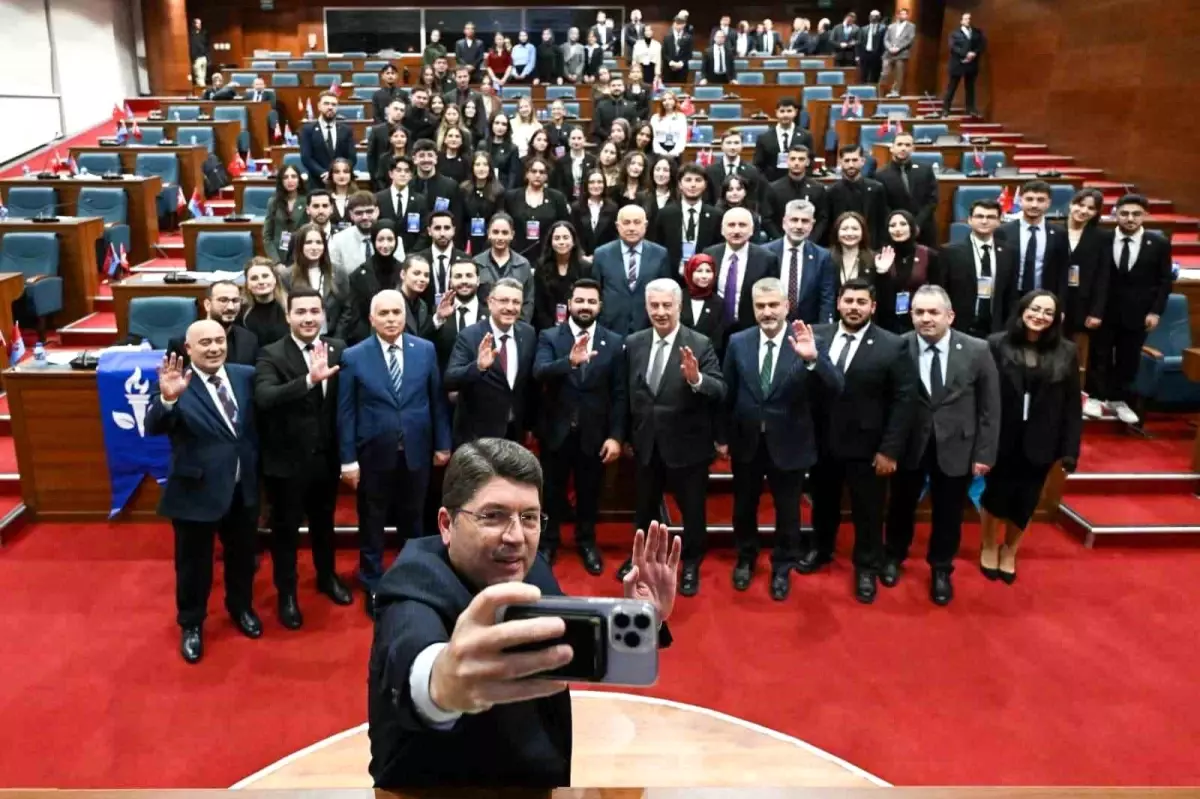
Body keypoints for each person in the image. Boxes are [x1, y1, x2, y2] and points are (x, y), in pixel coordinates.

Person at [367, 438, 679, 787]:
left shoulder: (528, 567)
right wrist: (443, 683)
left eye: (529, 517)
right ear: (446, 524)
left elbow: (569, 642)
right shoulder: (412, 582)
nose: (516, 536)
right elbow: (413, 657)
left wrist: (646, 617)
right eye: (493, 516)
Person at [719, 280, 841, 600]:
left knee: (788, 512)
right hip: (746, 441)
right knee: (744, 507)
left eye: (774, 305)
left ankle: (783, 566)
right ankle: (746, 558)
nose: (767, 312)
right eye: (761, 306)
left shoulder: (809, 340)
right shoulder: (738, 342)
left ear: (787, 306)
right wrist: (722, 436)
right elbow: (728, 392)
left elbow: (836, 387)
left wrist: (812, 360)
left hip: (791, 442)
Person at [146, 321, 259, 664]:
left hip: (242, 487)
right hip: (195, 490)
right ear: (188, 349)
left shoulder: (245, 375)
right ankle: (191, 623)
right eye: (205, 343)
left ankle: (241, 608)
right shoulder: (176, 381)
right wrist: (168, 399)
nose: (214, 348)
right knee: (193, 565)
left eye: (219, 341)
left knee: (242, 557)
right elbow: (153, 425)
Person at [338, 290, 452, 619]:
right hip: (373, 454)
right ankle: (372, 581)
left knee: (413, 518)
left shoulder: (425, 349)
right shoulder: (354, 356)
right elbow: (346, 412)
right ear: (371, 318)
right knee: (372, 520)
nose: (391, 319)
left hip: (417, 450)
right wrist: (348, 460)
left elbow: (436, 400)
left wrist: (443, 443)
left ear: (405, 316)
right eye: (384, 313)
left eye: (396, 312)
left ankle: (411, 577)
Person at [884, 285, 1000, 606]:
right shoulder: (898, 346)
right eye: (919, 312)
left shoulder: (978, 349)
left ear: (950, 315)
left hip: (958, 446)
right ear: (911, 315)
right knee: (900, 506)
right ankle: (893, 555)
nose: (926, 318)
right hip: (909, 444)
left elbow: (990, 407)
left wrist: (985, 453)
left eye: (934, 312)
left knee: (949, 512)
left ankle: (940, 568)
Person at [806, 279, 915, 603]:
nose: (854, 307)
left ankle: (867, 566)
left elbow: (904, 401)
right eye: (849, 301)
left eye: (861, 302)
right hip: (822, 442)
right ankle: (821, 549)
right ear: (838, 303)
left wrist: (889, 450)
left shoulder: (892, 345)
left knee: (868, 511)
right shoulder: (816, 336)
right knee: (823, 503)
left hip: (868, 447)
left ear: (873, 307)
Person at [253, 288, 353, 629]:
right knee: (285, 533)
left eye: (314, 311)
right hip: (286, 464)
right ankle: (287, 594)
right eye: (301, 312)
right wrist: (308, 380)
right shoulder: (271, 353)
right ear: (288, 316)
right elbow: (265, 397)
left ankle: (327, 577)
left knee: (324, 526)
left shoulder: (338, 348)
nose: (309, 318)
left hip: (326, 460)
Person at [622, 278, 725, 596]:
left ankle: (691, 564)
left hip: (687, 446)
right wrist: (624, 435)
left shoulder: (700, 342)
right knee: (644, 508)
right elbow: (627, 393)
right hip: (646, 443)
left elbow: (719, 389)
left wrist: (696, 379)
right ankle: (639, 560)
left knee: (692, 512)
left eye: (667, 305)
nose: (661, 311)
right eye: (654, 305)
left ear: (679, 306)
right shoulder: (634, 342)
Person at [981, 289, 1081, 583]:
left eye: (1048, 312)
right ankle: (989, 544)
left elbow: (1072, 405)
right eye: (1035, 309)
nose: (1040, 316)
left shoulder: (1067, 351)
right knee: (996, 496)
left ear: (1056, 319)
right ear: (1022, 310)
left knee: (1026, 500)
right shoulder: (995, 344)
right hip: (1002, 437)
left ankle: (1010, 549)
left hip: (1042, 440)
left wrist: (1070, 449)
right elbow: (982, 395)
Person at [533, 278, 626, 572]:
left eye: (591, 302)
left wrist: (616, 436)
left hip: (595, 433)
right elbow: (539, 372)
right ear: (570, 304)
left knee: (589, 492)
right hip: (555, 432)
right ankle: (548, 542)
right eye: (580, 301)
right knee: (551, 493)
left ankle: (586, 542)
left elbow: (620, 394)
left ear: (600, 306)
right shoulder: (549, 336)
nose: (585, 306)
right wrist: (569, 362)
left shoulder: (614, 342)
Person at [1087, 194, 1173, 425]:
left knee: (1128, 358)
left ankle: (1119, 400)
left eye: (1136, 214)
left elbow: (1165, 281)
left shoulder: (1158, 243)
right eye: (1124, 213)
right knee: (1099, 354)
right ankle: (1095, 396)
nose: (1130, 218)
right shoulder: (1102, 239)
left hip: (1138, 313)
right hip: (1103, 310)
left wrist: (1155, 311)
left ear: (1145, 215)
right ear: (1115, 214)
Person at [444, 278, 538, 447]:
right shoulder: (469, 335)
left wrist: (529, 426)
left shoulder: (528, 333)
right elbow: (450, 379)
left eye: (516, 302)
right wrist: (478, 367)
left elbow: (529, 385)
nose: (510, 307)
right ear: (490, 302)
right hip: (477, 436)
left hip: (514, 433)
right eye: (504, 301)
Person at [995, 180, 1072, 327]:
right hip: (1011, 300)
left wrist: (1061, 306)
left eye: (1040, 200)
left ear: (1048, 203)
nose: (1034, 205)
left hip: (1045, 300)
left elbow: (1063, 273)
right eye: (1029, 199)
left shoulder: (1059, 233)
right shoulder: (1003, 231)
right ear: (1020, 201)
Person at [941, 198, 1017, 337]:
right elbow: (942, 292)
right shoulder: (950, 252)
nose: (984, 221)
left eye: (990, 217)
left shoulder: (1008, 252)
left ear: (999, 221)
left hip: (996, 329)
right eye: (979, 216)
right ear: (970, 220)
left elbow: (1011, 294)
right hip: (960, 328)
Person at [593, 205, 671, 335]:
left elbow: (665, 292)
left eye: (637, 222)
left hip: (648, 326)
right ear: (618, 226)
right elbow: (596, 292)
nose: (631, 228)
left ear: (645, 225)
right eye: (626, 223)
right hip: (610, 327)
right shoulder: (602, 254)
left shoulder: (660, 254)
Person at [703, 207, 781, 335]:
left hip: (750, 329)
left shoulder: (767, 259)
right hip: (714, 328)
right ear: (722, 230)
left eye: (742, 225)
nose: (736, 230)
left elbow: (771, 296)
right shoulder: (709, 254)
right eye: (731, 225)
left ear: (752, 230)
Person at [765, 199, 835, 325]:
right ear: (784, 222)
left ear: (812, 225)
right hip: (771, 324)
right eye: (794, 220)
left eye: (805, 221)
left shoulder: (822, 256)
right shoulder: (766, 252)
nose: (799, 226)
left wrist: (824, 330)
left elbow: (827, 299)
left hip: (809, 327)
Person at [873, 210, 936, 334]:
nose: (898, 229)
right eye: (892, 225)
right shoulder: (879, 255)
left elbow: (937, 289)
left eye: (903, 224)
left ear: (911, 227)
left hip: (920, 317)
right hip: (887, 320)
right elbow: (878, 294)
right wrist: (882, 272)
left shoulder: (928, 254)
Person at [168, 281, 259, 366]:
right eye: (223, 300)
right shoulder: (181, 343)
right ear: (207, 305)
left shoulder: (250, 339)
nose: (231, 307)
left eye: (235, 301)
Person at [874, 132, 938, 247]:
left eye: (907, 145)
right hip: (896, 231)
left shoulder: (925, 170)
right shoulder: (880, 175)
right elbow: (883, 205)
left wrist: (917, 224)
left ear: (913, 148)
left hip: (924, 229)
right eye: (899, 144)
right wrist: (901, 224)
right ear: (892, 148)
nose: (903, 148)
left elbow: (932, 200)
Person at [653, 163, 720, 273]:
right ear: (680, 184)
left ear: (705, 184)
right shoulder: (665, 214)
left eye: (698, 180)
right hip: (671, 274)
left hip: (704, 275)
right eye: (688, 180)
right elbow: (658, 247)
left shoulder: (716, 216)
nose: (693, 185)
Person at [1063, 188, 1109, 345]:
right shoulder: (1054, 231)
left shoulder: (1102, 237)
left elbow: (1103, 276)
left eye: (1091, 208)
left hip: (1084, 303)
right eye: (1080, 205)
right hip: (1056, 300)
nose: (1084, 211)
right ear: (1071, 204)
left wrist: (1096, 311)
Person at [475, 212, 535, 322]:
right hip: (483, 325)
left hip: (514, 325)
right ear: (488, 234)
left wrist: (520, 326)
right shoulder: (477, 263)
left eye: (505, 233)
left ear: (512, 235)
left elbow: (528, 301)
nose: (500, 237)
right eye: (495, 232)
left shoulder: (523, 265)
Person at [826, 144, 889, 249]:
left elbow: (882, 222)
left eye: (855, 160)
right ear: (840, 162)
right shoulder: (831, 192)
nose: (851, 165)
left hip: (871, 248)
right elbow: (829, 226)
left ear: (862, 161)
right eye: (847, 161)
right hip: (840, 248)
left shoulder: (877, 189)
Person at [767, 145, 829, 244]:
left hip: (810, 241)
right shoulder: (774, 188)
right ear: (787, 161)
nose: (796, 163)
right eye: (793, 159)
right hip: (781, 241)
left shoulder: (818, 189)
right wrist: (782, 241)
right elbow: (768, 219)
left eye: (801, 159)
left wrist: (811, 240)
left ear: (807, 162)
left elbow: (822, 219)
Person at [431, 260, 485, 373]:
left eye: (469, 276)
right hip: (446, 379)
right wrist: (438, 319)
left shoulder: (490, 312)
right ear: (450, 282)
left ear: (478, 280)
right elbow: (426, 344)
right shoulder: (437, 311)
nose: (464, 281)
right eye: (458, 276)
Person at [533, 220, 588, 330]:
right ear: (551, 242)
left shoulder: (585, 267)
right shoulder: (541, 267)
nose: (561, 242)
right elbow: (539, 303)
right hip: (547, 327)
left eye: (565, 237)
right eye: (557, 238)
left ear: (573, 241)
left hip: (578, 325)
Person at [413, 210, 469, 307]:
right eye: (437, 228)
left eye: (447, 228)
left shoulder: (466, 260)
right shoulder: (418, 259)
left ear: (453, 230)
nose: (442, 233)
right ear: (429, 231)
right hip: (424, 312)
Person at [299, 92, 356, 187]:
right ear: (319, 106)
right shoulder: (308, 130)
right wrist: (323, 173)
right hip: (316, 182)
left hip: (341, 183)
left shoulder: (346, 130)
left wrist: (338, 173)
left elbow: (352, 158)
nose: (330, 107)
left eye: (334, 104)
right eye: (326, 103)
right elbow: (306, 158)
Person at [375, 156, 428, 256]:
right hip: (384, 253)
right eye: (398, 170)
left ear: (411, 175)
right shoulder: (378, 198)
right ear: (391, 174)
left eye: (407, 171)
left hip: (413, 254)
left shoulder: (420, 200)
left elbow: (424, 231)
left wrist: (413, 253)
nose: (403, 174)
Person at [752, 98, 814, 185]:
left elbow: (810, 162)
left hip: (798, 183)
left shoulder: (806, 136)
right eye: (782, 111)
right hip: (771, 183)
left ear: (795, 112)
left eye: (789, 111)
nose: (785, 115)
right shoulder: (764, 137)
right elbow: (758, 166)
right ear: (776, 112)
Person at [679, 254, 728, 354]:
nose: (704, 276)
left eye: (708, 271)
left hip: (707, 357)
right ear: (690, 272)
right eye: (699, 271)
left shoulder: (718, 303)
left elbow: (718, 340)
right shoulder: (678, 297)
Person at [328, 192, 381, 280]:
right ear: (351, 215)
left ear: (377, 211)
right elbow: (334, 276)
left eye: (369, 212)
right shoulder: (338, 241)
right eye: (359, 213)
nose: (364, 217)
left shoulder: (391, 237)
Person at [942, 12, 986, 116]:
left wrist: (974, 53)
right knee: (952, 87)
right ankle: (945, 109)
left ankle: (970, 109)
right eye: (966, 19)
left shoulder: (977, 32)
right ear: (961, 21)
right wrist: (966, 54)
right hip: (958, 64)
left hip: (971, 64)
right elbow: (953, 47)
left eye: (969, 19)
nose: (968, 21)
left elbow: (981, 45)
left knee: (970, 88)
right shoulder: (955, 33)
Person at [705, 130, 765, 207]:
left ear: (742, 146)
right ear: (722, 146)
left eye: (736, 143)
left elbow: (753, 199)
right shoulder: (710, 171)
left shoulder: (752, 171)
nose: (732, 147)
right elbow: (708, 200)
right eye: (728, 143)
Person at [240, 256, 289, 348]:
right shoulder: (240, 312)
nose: (261, 282)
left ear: (275, 279)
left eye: (265, 276)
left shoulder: (290, 307)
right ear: (247, 284)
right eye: (254, 278)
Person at [570, 170, 619, 258]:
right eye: (591, 182)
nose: (596, 186)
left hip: (606, 256)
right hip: (582, 258)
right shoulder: (576, 207)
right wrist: (581, 255)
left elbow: (615, 236)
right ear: (586, 185)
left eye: (599, 182)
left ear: (604, 184)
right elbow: (573, 235)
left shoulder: (613, 207)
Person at [880, 8, 915, 97]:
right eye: (901, 14)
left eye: (905, 14)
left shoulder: (911, 26)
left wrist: (898, 48)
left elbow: (910, 40)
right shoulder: (891, 26)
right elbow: (886, 39)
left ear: (907, 16)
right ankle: (881, 92)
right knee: (884, 73)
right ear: (898, 15)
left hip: (901, 54)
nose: (903, 15)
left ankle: (895, 92)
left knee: (899, 75)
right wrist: (889, 48)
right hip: (888, 54)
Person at [398, 255, 435, 338]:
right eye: (416, 273)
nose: (422, 279)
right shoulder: (389, 301)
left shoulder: (423, 305)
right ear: (403, 274)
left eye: (426, 275)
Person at [856, 11, 886, 85]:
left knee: (875, 75)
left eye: (876, 16)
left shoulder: (883, 28)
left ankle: (874, 90)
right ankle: (863, 89)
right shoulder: (863, 29)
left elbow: (884, 43)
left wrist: (884, 55)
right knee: (863, 74)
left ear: (879, 17)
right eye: (872, 16)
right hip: (865, 54)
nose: (873, 18)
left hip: (877, 55)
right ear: (869, 17)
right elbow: (859, 43)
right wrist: (857, 55)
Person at [662, 16, 693, 84]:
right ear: (673, 24)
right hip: (668, 69)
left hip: (682, 70)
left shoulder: (688, 38)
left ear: (684, 24)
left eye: (680, 24)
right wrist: (671, 62)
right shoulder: (667, 36)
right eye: (677, 23)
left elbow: (689, 54)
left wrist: (681, 63)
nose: (678, 26)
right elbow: (664, 53)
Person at [188, 18, 209, 88]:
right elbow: (192, 46)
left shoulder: (203, 33)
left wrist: (207, 56)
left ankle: (203, 86)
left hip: (203, 56)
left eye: (200, 23)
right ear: (194, 24)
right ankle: (202, 88)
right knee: (198, 74)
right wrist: (193, 57)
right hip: (196, 57)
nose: (199, 25)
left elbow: (206, 45)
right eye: (198, 23)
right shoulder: (191, 34)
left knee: (203, 74)